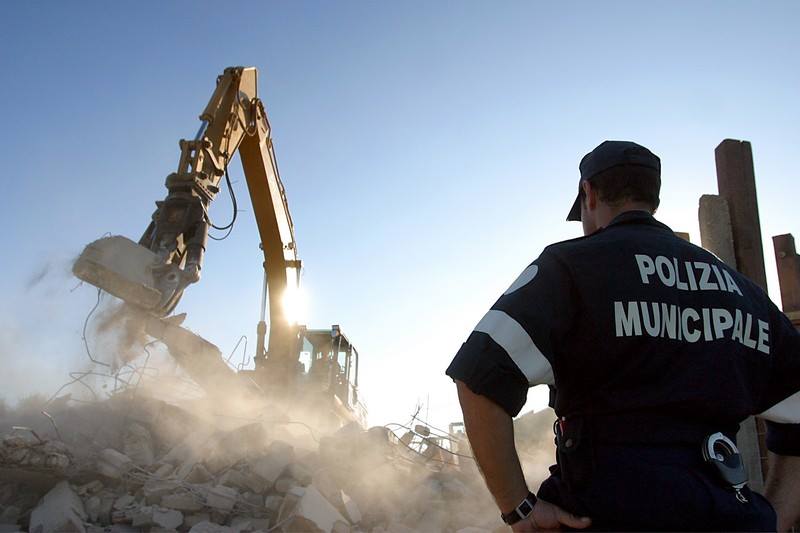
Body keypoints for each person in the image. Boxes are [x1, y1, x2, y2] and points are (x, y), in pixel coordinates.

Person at [446, 140, 800, 531]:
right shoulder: (741, 291)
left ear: (589, 193)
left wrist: (519, 508)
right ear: (654, 198)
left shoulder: (570, 268)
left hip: (602, 514)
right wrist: (772, 519)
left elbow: (479, 374)